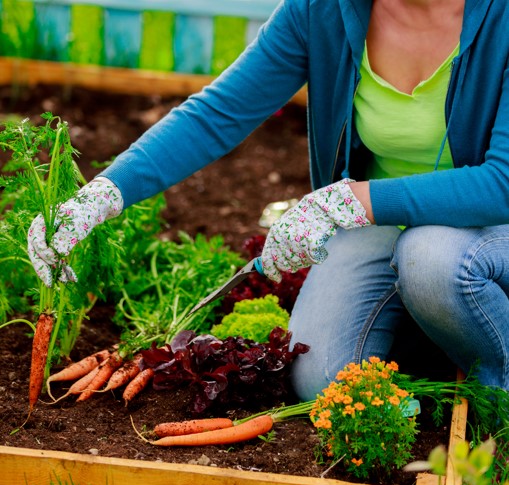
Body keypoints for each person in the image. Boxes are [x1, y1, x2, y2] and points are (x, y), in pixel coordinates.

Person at [28, 0, 509, 402]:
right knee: (320, 380)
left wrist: (346, 201)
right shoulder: (323, 9)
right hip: (376, 220)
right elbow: (218, 113)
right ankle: (433, 347)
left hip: (485, 225)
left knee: (430, 259)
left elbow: (501, 183)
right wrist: (101, 195)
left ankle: (497, 394)